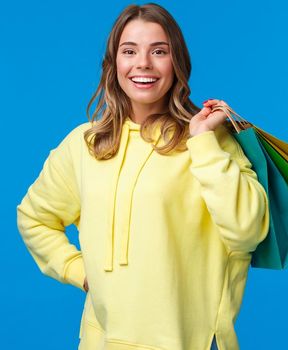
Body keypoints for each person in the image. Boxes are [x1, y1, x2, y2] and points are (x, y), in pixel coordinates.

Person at [16, 3, 270, 350]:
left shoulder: (211, 141)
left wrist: (204, 143)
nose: (143, 64)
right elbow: (34, 218)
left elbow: (247, 232)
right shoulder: (86, 144)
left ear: (176, 62)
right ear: (114, 63)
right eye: (129, 51)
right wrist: (78, 271)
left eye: (159, 51)